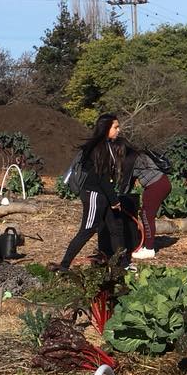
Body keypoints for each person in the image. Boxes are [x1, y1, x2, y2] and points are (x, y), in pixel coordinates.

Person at [57, 113, 129, 272]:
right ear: (106, 128)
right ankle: (64, 265)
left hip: (104, 194)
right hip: (94, 194)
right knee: (88, 229)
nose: (119, 130)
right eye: (115, 127)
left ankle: (123, 265)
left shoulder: (108, 145)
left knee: (115, 228)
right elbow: (103, 177)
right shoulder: (99, 148)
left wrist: (112, 198)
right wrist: (114, 200)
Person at [118, 144, 172, 260]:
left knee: (147, 215)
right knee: (145, 214)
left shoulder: (130, 160)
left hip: (156, 185)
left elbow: (126, 182)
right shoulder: (138, 155)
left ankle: (149, 249)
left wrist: (119, 197)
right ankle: (147, 245)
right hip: (162, 182)